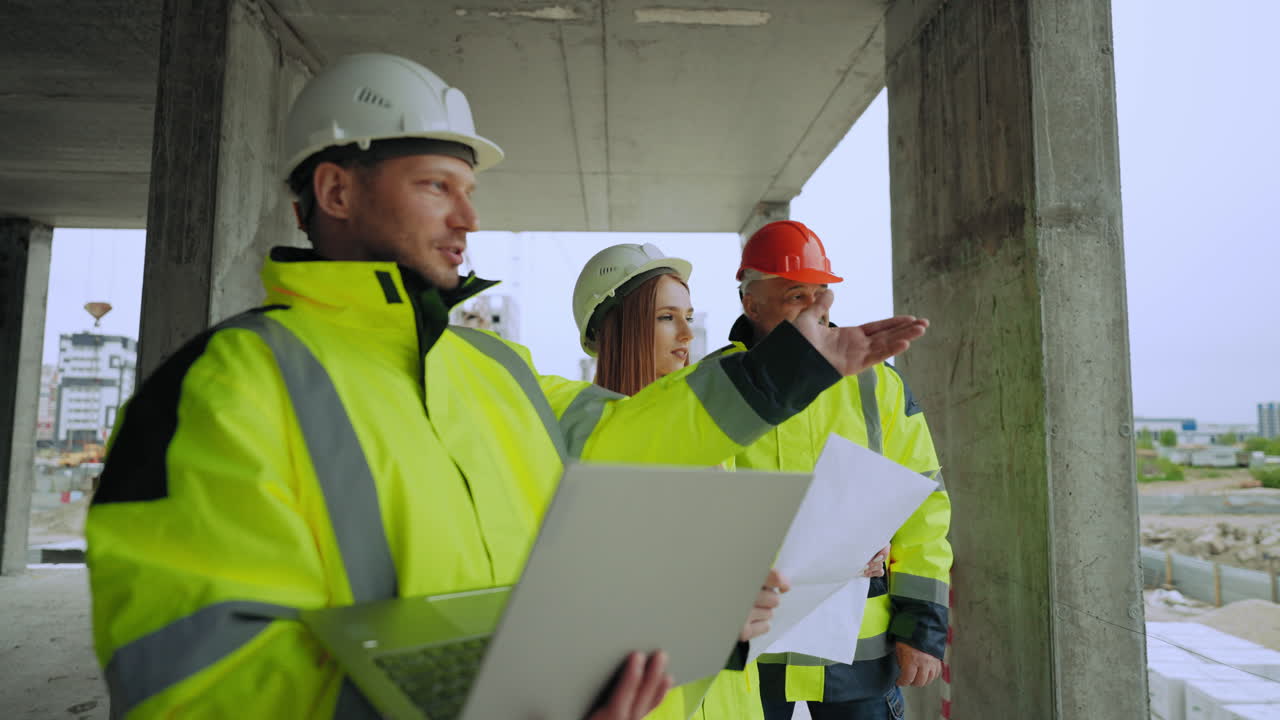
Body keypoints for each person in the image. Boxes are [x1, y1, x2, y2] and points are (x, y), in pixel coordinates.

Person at [85, 55, 931, 719]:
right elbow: (186, 688)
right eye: (435, 186)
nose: (468, 218)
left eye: (470, 191)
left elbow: (627, 445)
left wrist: (795, 371)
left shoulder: (497, 375)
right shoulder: (223, 388)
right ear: (334, 190)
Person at [571, 243, 892, 720]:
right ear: (612, 326)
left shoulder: (705, 435)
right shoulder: (582, 432)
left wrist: (840, 554)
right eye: (665, 317)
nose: (686, 333)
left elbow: (736, 561)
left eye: (688, 316)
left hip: (730, 698)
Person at [715, 221, 953, 720]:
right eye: (793, 296)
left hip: (857, 658)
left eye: (818, 294)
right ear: (750, 303)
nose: (812, 309)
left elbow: (923, 503)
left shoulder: (876, 385)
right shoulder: (717, 388)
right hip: (751, 654)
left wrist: (921, 629)